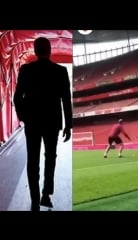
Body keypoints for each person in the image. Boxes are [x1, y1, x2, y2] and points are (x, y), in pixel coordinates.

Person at [13, 37, 72, 211]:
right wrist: (68, 125)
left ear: (35, 51)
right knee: (50, 158)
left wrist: (24, 116)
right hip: (52, 122)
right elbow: (66, 101)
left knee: (33, 160)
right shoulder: (60, 71)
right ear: (50, 50)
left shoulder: (26, 70)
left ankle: (35, 199)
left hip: (32, 122)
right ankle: (46, 194)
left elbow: (17, 98)